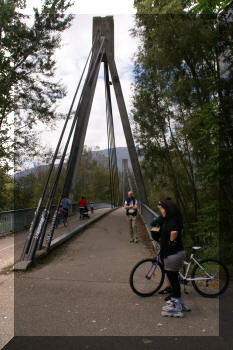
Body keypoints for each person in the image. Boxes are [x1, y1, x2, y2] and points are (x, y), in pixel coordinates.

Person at [151, 198, 190, 317]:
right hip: (172, 253)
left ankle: (176, 306)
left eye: (162, 209)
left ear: (167, 209)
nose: (161, 211)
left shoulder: (173, 220)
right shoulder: (169, 218)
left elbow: (175, 231)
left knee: (173, 279)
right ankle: (179, 303)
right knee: (173, 278)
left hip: (173, 254)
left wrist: (171, 242)